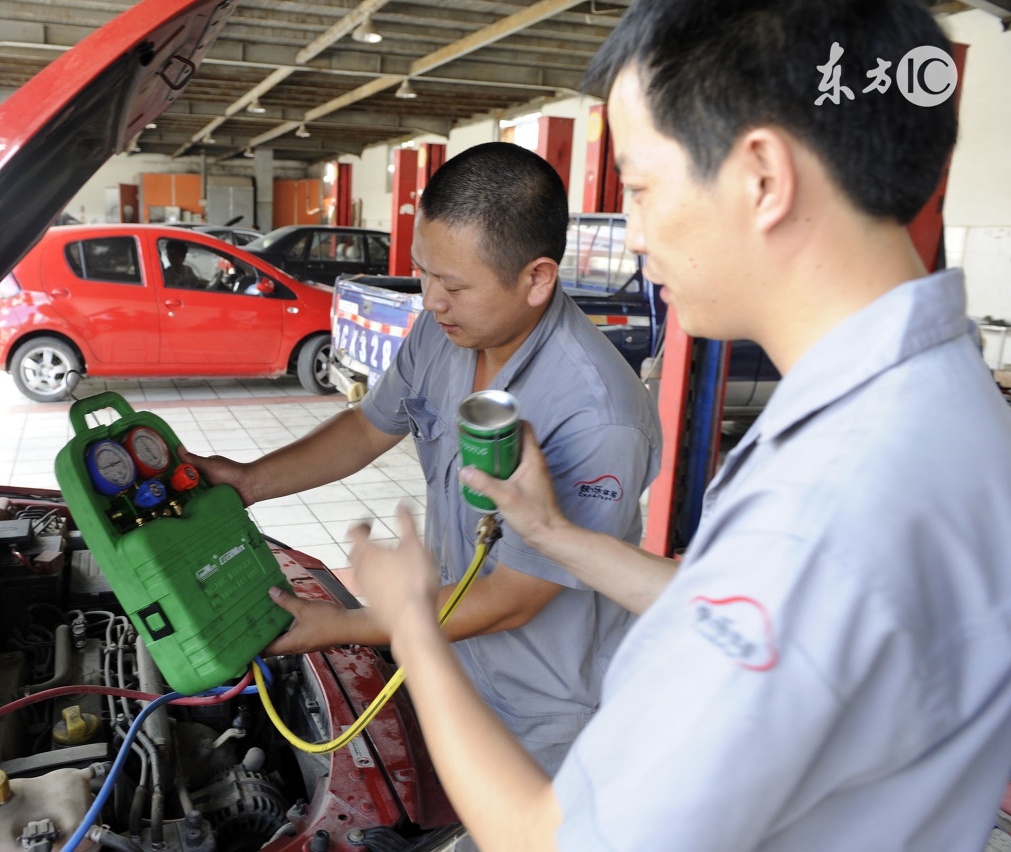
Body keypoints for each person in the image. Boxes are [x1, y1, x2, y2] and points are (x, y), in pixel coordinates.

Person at [346, 1, 1011, 849]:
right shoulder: (934, 397)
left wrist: (410, 621)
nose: (634, 233)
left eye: (645, 186)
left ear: (762, 179)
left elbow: (555, 837)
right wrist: (553, 532)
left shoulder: (830, 500)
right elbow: (750, 614)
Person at [183, 142, 660, 772]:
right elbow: (367, 425)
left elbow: (515, 596)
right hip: (452, 657)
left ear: (537, 278)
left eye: (454, 284)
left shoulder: (597, 413)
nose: (431, 299)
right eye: (423, 271)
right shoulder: (446, 330)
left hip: (547, 711)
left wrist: (346, 625)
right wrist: (248, 481)